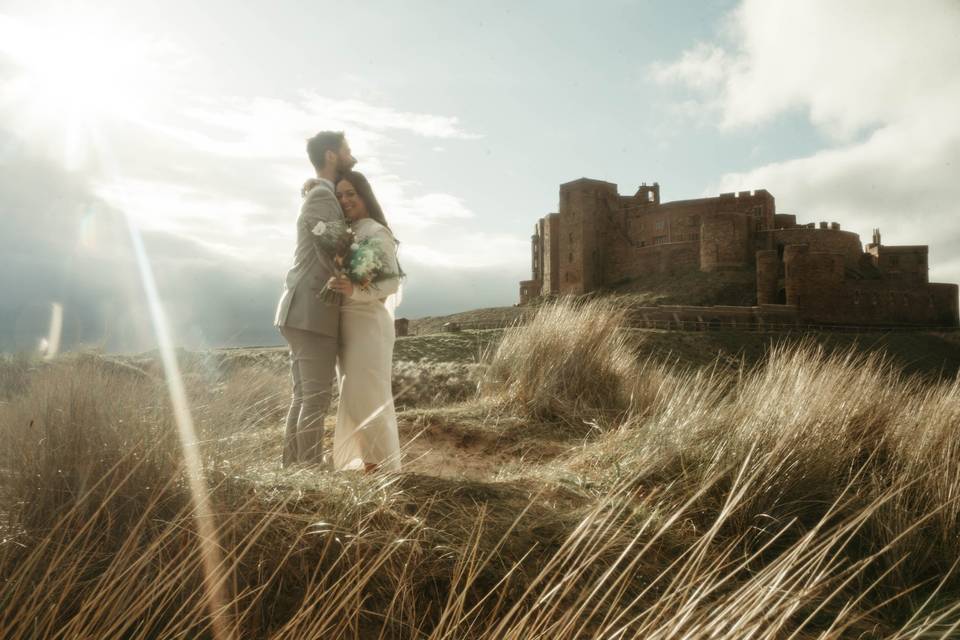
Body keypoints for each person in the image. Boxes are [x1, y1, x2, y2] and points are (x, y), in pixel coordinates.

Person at [274, 131, 356, 468]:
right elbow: (337, 244)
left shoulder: (319, 194)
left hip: (299, 310)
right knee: (316, 399)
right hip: (312, 310)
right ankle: (308, 469)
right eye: (347, 149)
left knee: (304, 396)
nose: (353, 155)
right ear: (331, 155)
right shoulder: (322, 197)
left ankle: (293, 468)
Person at [326, 170, 403, 473]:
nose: (345, 200)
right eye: (340, 195)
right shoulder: (348, 232)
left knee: (369, 399)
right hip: (347, 325)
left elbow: (392, 282)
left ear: (363, 195)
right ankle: (366, 465)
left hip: (369, 326)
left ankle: (380, 470)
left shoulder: (375, 232)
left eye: (350, 194)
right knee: (355, 400)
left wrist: (356, 290)